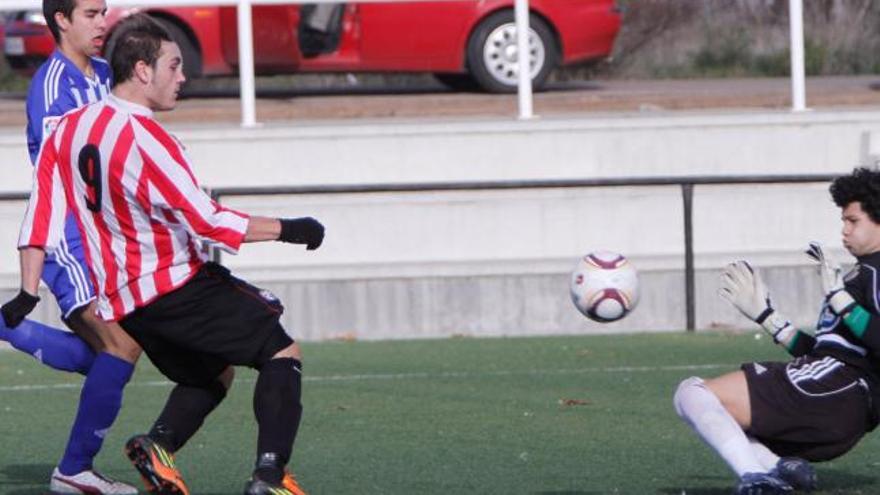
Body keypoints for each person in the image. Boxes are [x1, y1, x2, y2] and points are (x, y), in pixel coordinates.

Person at [5, 13, 321, 495]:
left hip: (127, 301)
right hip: (174, 284)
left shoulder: (71, 128)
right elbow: (208, 221)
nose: (183, 76)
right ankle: (269, 478)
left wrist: (28, 291)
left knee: (213, 371)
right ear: (142, 71)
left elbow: (40, 213)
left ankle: (158, 446)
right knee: (281, 350)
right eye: (174, 66)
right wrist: (292, 229)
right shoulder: (147, 139)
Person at [0, 1, 142, 492]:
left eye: (104, 12)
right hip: (67, 236)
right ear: (61, 20)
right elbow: (63, 175)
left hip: (105, 237)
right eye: (90, 13)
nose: (103, 22)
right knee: (120, 347)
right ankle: (74, 470)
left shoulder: (108, 73)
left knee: (107, 355)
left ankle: (2, 324)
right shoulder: (52, 88)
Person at [673, 167, 880, 494]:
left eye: (853, 221)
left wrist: (843, 302)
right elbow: (830, 352)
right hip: (833, 399)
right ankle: (778, 469)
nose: (844, 230)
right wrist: (769, 318)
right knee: (712, 407)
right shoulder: (861, 273)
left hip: (837, 394)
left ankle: (758, 478)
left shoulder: (874, 273)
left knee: (693, 394)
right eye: (843, 220)